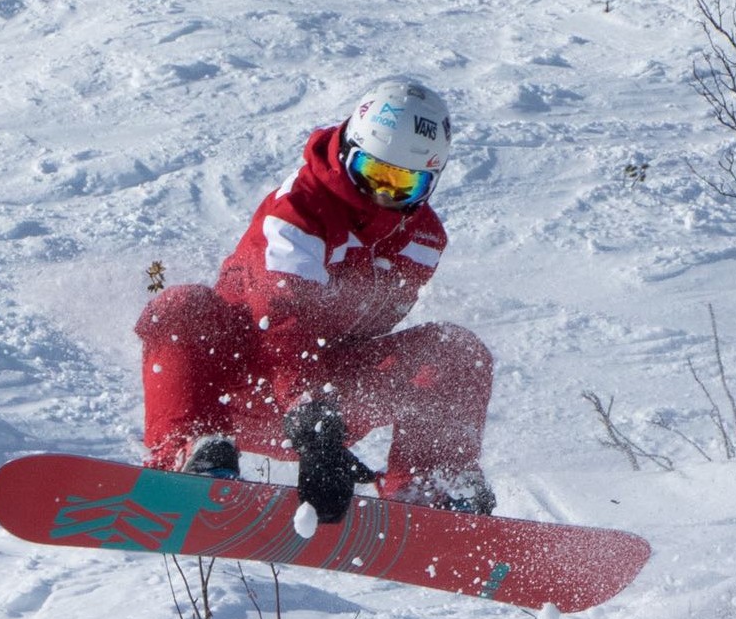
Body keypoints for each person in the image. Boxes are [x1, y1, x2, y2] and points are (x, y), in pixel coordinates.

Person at [135, 79, 495, 523]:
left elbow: (361, 337)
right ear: (348, 150)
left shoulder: (422, 239)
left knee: (455, 352)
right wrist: (314, 424)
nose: (384, 193)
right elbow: (284, 325)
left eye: (404, 184)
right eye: (374, 173)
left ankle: (430, 487)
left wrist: (329, 421)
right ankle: (194, 452)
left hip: (325, 401)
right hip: (243, 384)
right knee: (180, 307)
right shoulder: (297, 213)